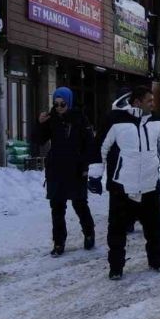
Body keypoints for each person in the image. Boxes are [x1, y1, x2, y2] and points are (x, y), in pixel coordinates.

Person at [89, 86, 160, 280]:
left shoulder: (156, 121)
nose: (153, 103)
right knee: (117, 231)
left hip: (150, 184)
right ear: (137, 102)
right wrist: (95, 175)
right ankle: (116, 267)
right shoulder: (115, 120)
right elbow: (100, 148)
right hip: (122, 186)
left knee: (154, 229)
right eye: (149, 100)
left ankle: (156, 260)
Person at [35, 87, 99, 257]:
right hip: (56, 169)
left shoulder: (80, 118)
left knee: (80, 204)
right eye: (56, 104)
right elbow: (39, 140)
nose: (59, 107)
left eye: (62, 104)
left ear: (68, 102)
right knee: (57, 208)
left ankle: (89, 233)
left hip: (75, 169)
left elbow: (89, 145)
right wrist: (40, 124)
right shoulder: (51, 118)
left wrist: (85, 167)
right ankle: (59, 242)